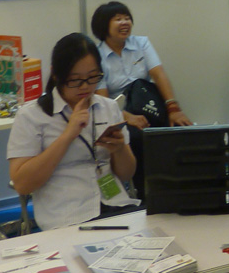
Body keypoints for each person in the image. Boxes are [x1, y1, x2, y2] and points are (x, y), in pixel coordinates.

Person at [7, 33, 139, 231]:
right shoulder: (31, 116)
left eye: (93, 77)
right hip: (67, 216)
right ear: (56, 75)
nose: (85, 87)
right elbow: (22, 184)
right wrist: (68, 135)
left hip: (116, 205)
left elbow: (127, 173)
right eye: (75, 80)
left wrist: (120, 150)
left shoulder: (108, 107)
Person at [90, 2, 191, 196]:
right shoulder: (97, 56)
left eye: (127, 18)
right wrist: (127, 117)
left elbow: (159, 74)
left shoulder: (141, 43)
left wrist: (173, 108)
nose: (124, 22)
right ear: (103, 26)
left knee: (177, 129)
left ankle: (178, 189)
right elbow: (103, 99)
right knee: (136, 137)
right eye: (118, 19)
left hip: (148, 106)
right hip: (118, 113)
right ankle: (146, 194)